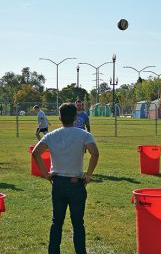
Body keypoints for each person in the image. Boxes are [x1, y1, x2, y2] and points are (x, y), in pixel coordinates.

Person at [32, 102, 99, 254]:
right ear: (76, 118)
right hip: (76, 183)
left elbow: (36, 153)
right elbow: (95, 153)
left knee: (56, 223)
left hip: (58, 183)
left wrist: (46, 174)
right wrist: (88, 175)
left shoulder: (51, 135)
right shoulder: (84, 135)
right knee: (78, 224)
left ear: (60, 118)